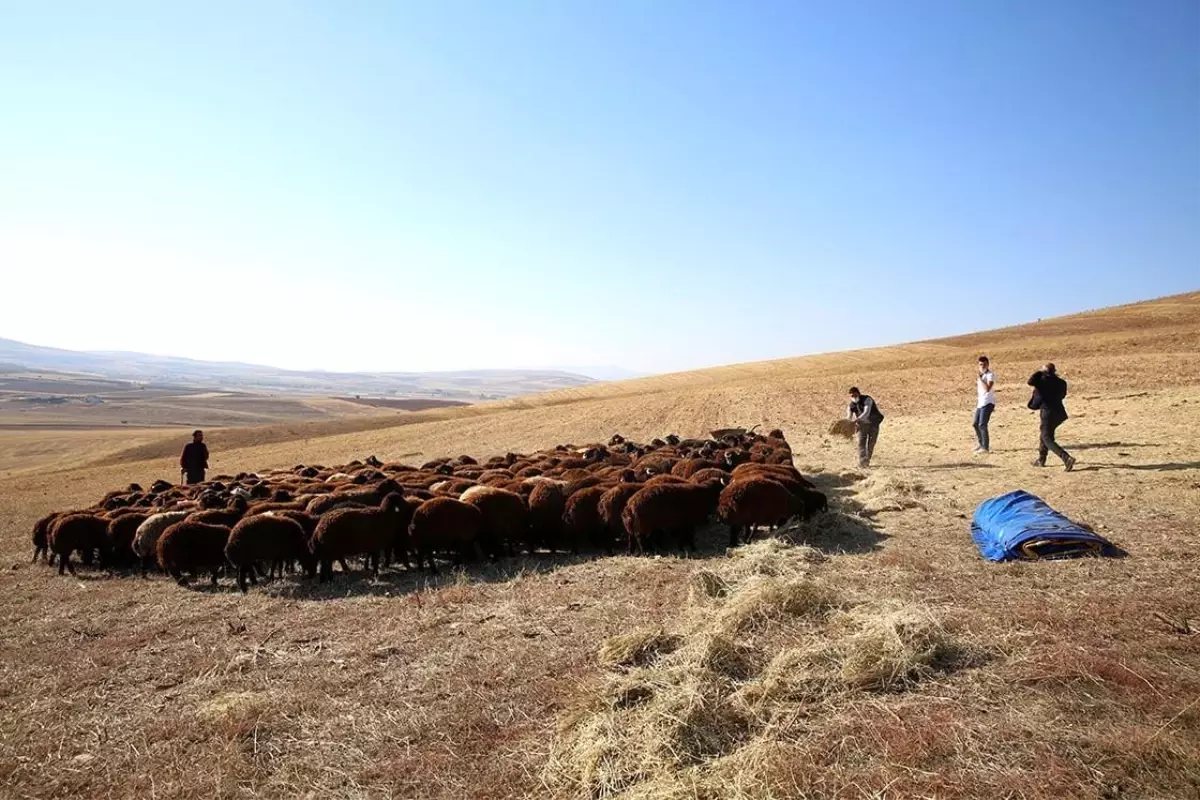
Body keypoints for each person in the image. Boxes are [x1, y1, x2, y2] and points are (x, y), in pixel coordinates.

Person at [1026, 364, 1076, 471]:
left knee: (1046, 437)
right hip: (1059, 413)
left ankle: (1066, 458)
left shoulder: (1041, 381)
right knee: (1045, 434)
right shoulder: (1061, 382)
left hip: (1047, 413)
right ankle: (1041, 459)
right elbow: (1062, 395)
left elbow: (1030, 381)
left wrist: (1040, 372)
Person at [847, 387, 884, 468]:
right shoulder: (851, 405)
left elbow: (866, 412)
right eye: (852, 396)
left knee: (871, 442)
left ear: (858, 393)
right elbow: (849, 417)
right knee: (861, 443)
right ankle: (862, 462)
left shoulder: (867, 399)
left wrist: (856, 420)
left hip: (873, 423)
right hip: (862, 425)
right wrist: (847, 424)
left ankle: (867, 460)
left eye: (855, 395)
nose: (854, 398)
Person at [974, 355, 996, 454]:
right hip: (980, 403)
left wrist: (981, 379)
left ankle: (985, 447)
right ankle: (981, 443)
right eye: (980, 364)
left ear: (988, 364)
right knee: (975, 424)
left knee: (982, 424)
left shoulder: (990, 375)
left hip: (988, 403)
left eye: (984, 364)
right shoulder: (981, 375)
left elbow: (988, 388)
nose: (982, 366)